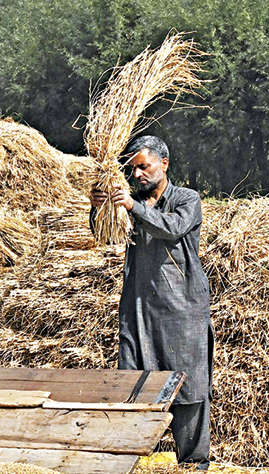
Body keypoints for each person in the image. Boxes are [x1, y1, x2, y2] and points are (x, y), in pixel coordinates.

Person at [91, 134, 213, 469]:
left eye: (143, 167)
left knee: (188, 389)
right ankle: (134, 462)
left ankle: (193, 464)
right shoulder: (131, 201)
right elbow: (104, 236)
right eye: (132, 169)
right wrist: (100, 208)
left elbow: (172, 227)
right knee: (133, 383)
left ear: (164, 164)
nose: (137, 175)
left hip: (182, 310)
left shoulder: (187, 199)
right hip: (138, 310)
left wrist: (133, 207)